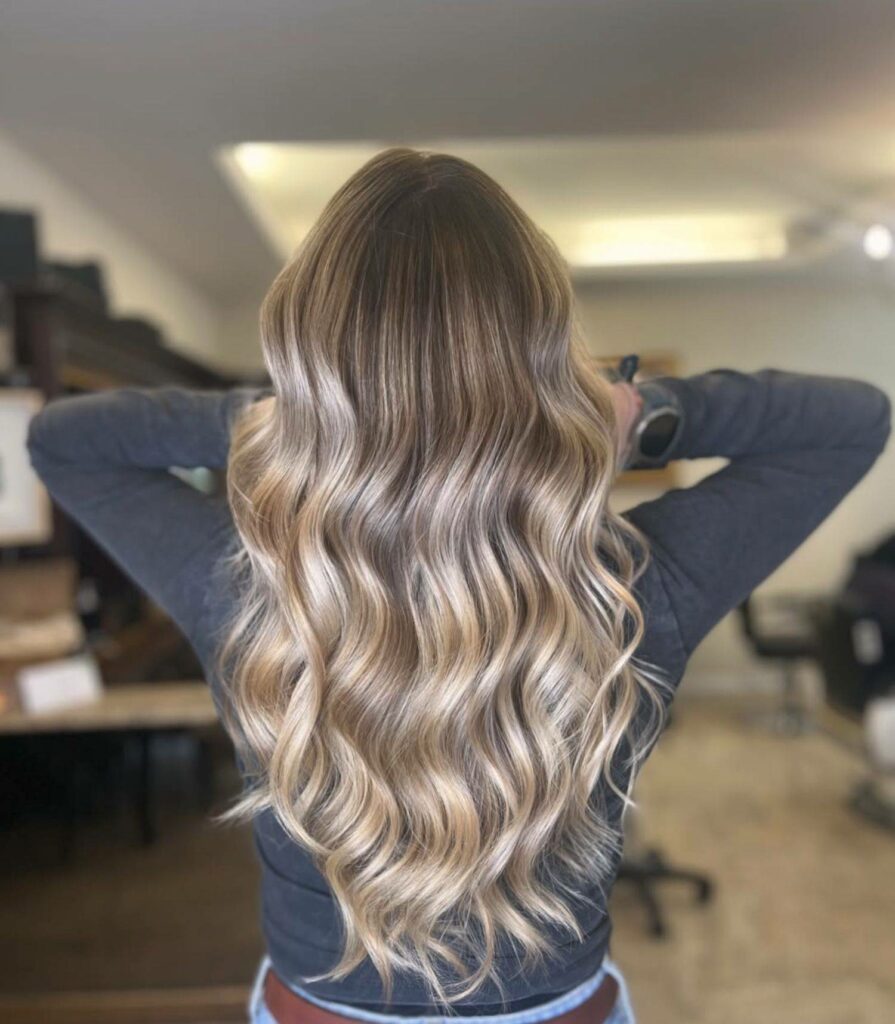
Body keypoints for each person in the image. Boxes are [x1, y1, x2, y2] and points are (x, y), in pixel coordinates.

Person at [26, 148, 891, 1024]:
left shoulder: (243, 583)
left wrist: (274, 422)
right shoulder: (628, 590)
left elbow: (66, 438)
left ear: (309, 362)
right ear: (544, 358)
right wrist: (638, 412)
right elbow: (848, 421)